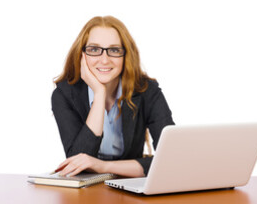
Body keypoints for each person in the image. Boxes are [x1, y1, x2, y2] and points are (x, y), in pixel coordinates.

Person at [51, 16, 174, 178]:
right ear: (81, 55)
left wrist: (103, 166)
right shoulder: (65, 95)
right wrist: (99, 93)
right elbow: (78, 160)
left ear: (125, 55)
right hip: (85, 193)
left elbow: (171, 158)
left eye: (114, 50)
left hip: (129, 187)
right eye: (94, 49)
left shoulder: (146, 90)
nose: (104, 59)